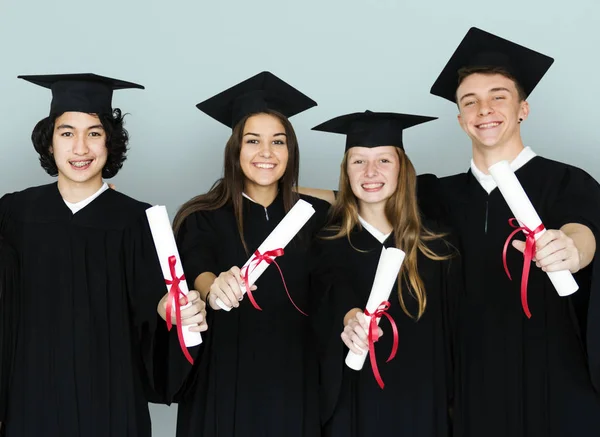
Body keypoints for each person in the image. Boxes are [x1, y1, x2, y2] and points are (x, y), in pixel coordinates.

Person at [0, 73, 206, 437]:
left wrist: (171, 310)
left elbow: (156, 301)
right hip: (30, 397)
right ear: (49, 144)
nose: (80, 148)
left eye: (94, 133)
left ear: (110, 142)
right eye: (67, 133)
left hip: (111, 399)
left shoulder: (140, 221)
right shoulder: (14, 214)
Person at [429, 27, 600, 436]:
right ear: (460, 119)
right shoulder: (436, 195)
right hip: (469, 383)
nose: (483, 109)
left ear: (524, 109)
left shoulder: (566, 181)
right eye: (470, 101)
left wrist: (571, 250)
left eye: (498, 97)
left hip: (553, 378)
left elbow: (584, 232)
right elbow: (351, 199)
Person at [173, 71, 330, 437]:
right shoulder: (202, 217)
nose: (266, 153)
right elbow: (198, 267)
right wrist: (215, 286)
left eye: (278, 141)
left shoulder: (314, 217)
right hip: (223, 380)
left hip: (295, 383)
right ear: (235, 150)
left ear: (290, 151)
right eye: (253, 141)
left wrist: (310, 193)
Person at [309, 110, 460, 436]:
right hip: (353, 406)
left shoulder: (436, 246)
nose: (370, 171)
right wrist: (350, 319)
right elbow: (332, 292)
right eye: (358, 161)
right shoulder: (327, 242)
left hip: (422, 404)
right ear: (345, 171)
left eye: (384, 161)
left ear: (402, 169)